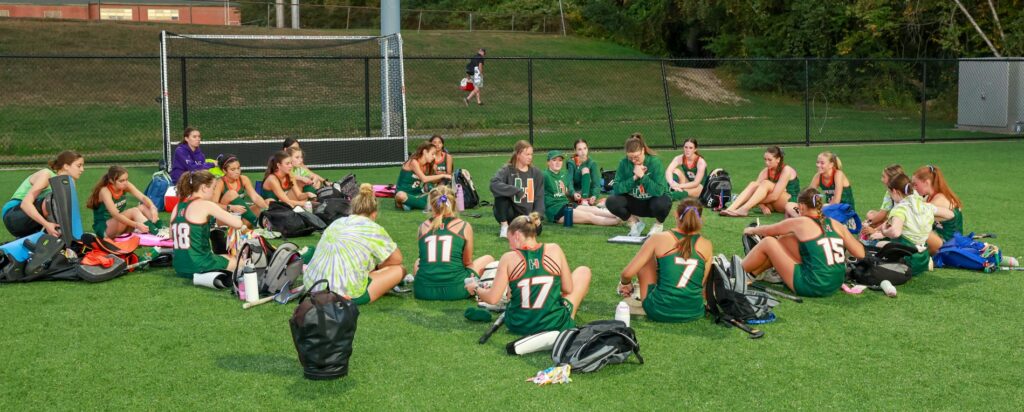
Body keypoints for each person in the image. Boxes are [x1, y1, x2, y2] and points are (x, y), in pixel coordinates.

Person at [466, 212, 591, 335]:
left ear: (517, 235)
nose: (510, 246)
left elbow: (493, 298)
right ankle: (559, 312)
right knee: (583, 271)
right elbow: (568, 288)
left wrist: (475, 287)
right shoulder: (554, 249)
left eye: (510, 240)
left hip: (518, 324)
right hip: (554, 324)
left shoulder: (508, 258)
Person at [741, 188, 865, 297]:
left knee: (769, 242)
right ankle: (754, 274)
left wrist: (751, 230)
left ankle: (737, 271)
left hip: (813, 285)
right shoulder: (835, 224)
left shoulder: (801, 222)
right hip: (834, 284)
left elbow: (768, 231)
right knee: (785, 241)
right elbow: (861, 253)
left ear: (801, 206)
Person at [304, 184, 405, 305]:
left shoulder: (336, 223)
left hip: (313, 286)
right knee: (399, 270)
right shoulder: (373, 228)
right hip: (345, 293)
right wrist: (378, 267)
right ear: (374, 214)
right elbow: (397, 259)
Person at [618, 198, 713, 322]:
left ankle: (639, 291)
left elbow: (627, 274)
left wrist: (625, 284)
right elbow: (701, 282)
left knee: (646, 259)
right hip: (694, 311)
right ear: (699, 218)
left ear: (676, 214)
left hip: (659, 310)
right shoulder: (706, 245)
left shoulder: (658, 238)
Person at [412, 186, 495, 301]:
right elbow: (467, 262)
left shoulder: (423, 226)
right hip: (457, 289)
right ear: (454, 203)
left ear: (431, 204)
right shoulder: (463, 226)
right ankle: (478, 285)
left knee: (418, 261)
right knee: (488, 258)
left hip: (423, 290)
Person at [869, 174, 952, 275]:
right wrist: (928, 215)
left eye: (890, 193)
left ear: (894, 191)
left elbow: (895, 232)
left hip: (907, 261)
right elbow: (950, 214)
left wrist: (884, 231)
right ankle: (927, 263)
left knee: (876, 245)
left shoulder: (900, 209)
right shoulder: (924, 206)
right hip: (923, 258)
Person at [170, 171, 244, 277]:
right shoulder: (206, 204)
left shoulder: (177, 206)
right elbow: (237, 224)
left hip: (180, 267)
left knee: (223, 256)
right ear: (204, 188)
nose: (214, 192)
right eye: (213, 188)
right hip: (201, 265)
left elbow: (172, 235)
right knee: (241, 261)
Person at [2, 151, 84, 238]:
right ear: (66, 166)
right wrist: (46, 224)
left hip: (31, 221)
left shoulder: (69, 183)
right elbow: (25, 204)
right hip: (13, 215)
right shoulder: (46, 174)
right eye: (79, 166)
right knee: (53, 201)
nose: (82, 169)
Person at [607, 133, 671, 237]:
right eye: (630, 157)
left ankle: (658, 225)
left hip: (652, 202)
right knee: (611, 201)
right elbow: (617, 188)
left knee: (663, 202)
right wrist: (634, 177)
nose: (633, 160)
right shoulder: (623, 163)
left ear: (643, 150)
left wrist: (643, 176)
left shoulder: (655, 162)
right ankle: (635, 223)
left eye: (636, 157)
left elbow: (659, 191)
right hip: (635, 202)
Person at [543, 150, 620, 226]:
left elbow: (565, 193)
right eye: (554, 160)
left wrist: (571, 193)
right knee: (590, 216)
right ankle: (617, 220)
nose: (557, 163)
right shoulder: (544, 175)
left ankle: (622, 216)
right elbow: (537, 193)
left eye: (560, 160)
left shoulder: (562, 174)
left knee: (593, 209)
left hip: (566, 205)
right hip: (555, 210)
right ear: (548, 162)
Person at [86, 166, 163, 239]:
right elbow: (115, 214)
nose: (125, 183)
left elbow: (143, 197)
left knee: (142, 207)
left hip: (119, 224)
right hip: (104, 229)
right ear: (111, 181)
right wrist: (136, 225)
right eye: (121, 181)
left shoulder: (125, 185)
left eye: (126, 179)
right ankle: (156, 233)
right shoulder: (105, 191)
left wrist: (152, 207)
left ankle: (161, 228)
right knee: (134, 211)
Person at [721, 146, 800, 217]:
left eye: (770, 160)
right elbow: (756, 191)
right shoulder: (766, 171)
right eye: (765, 159)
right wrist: (762, 206)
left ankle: (744, 209)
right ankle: (731, 209)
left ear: (778, 159)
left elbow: (774, 196)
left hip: (789, 202)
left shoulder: (786, 170)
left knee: (766, 183)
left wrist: (754, 202)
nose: (766, 163)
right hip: (772, 204)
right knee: (753, 184)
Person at [490, 140, 545, 238]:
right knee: (501, 195)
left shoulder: (536, 173)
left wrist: (537, 216)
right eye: (527, 154)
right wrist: (516, 191)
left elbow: (539, 197)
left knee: (537, 230)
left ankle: (515, 229)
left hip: (527, 215)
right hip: (510, 213)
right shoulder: (507, 170)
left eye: (531, 154)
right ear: (518, 155)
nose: (530, 157)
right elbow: (494, 184)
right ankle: (504, 226)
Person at [913, 165, 964, 254]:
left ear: (926, 182)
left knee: (914, 229)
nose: (914, 188)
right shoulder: (931, 196)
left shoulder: (939, 200)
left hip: (949, 245)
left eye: (916, 184)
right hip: (944, 240)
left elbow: (914, 217)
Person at [212, 154, 272, 229]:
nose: (237, 172)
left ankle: (267, 222)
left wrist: (267, 210)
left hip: (240, 217)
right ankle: (256, 222)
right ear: (224, 171)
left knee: (268, 202)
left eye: (238, 168)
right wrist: (230, 207)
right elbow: (213, 205)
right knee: (231, 193)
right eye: (233, 169)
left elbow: (255, 197)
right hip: (224, 219)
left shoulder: (244, 179)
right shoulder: (220, 183)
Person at [396, 141, 452, 211]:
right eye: (432, 154)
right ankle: (428, 205)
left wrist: (443, 180)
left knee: (437, 193)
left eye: (435, 154)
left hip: (418, 193)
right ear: (425, 152)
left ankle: (410, 203)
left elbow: (431, 181)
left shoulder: (427, 165)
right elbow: (424, 179)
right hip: (405, 193)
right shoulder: (413, 162)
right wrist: (443, 175)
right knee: (400, 195)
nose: (434, 156)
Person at [862, 164, 904, 237]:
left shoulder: (901, 202)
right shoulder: (893, 193)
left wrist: (874, 229)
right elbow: (883, 213)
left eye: (884, 177)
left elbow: (887, 218)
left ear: (891, 179)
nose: (881, 179)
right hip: (898, 223)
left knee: (874, 223)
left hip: (901, 229)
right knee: (871, 214)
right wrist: (869, 223)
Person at [566, 139, 602, 206]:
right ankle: (577, 202)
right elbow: (569, 180)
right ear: (575, 151)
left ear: (587, 149)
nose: (583, 152)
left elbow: (596, 184)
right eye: (579, 149)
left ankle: (584, 200)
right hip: (575, 193)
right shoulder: (571, 162)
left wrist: (594, 196)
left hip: (587, 192)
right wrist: (573, 193)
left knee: (585, 170)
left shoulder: (592, 163)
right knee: (563, 188)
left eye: (585, 148)